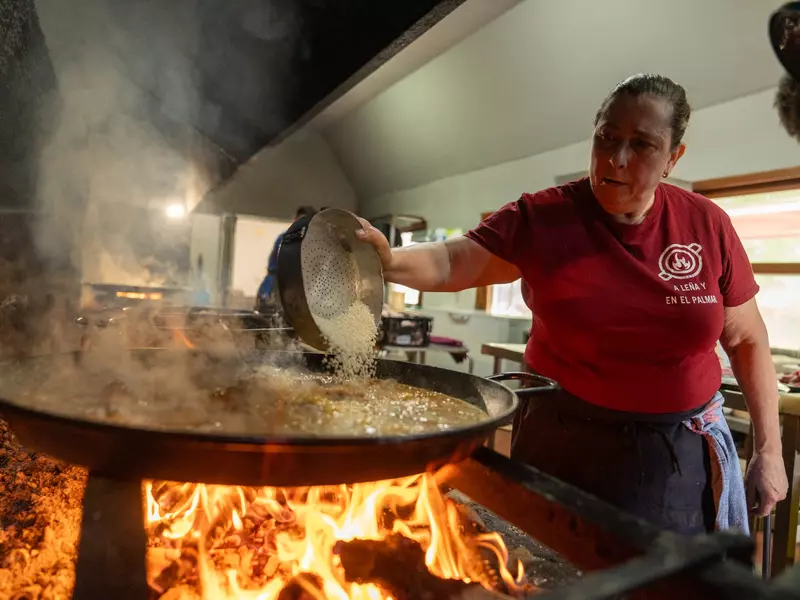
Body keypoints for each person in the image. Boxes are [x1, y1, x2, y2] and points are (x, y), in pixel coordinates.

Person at [356, 73, 789, 535]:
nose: (615, 158)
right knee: (547, 565)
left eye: (642, 145)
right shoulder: (544, 216)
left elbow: (746, 339)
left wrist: (769, 450)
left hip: (672, 454)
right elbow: (452, 261)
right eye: (607, 136)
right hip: (560, 438)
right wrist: (388, 262)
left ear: (672, 158)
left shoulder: (707, 224)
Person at [255, 205, 317, 311]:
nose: (302, 227)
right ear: (294, 219)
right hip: (273, 289)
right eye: (300, 222)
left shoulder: (309, 243)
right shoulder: (287, 239)